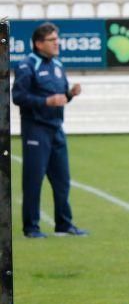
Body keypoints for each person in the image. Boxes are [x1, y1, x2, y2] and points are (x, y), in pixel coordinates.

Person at [12, 23, 88, 239]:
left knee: (62, 180)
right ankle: (31, 228)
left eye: (57, 39)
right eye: (52, 40)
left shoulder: (57, 64)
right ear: (38, 44)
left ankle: (64, 224)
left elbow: (60, 97)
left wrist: (70, 94)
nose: (57, 43)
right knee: (33, 180)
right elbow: (18, 97)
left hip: (56, 130)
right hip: (36, 130)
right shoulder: (27, 65)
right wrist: (46, 101)